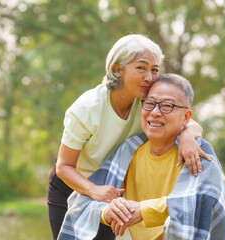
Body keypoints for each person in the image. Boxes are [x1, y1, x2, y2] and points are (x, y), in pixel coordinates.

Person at [47, 34, 210, 240]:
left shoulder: (146, 104)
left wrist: (189, 134)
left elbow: (183, 116)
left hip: (111, 184)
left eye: (154, 69)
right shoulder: (87, 108)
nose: (150, 77)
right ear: (117, 69)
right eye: (141, 68)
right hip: (72, 186)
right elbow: (63, 167)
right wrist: (94, 190)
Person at [58, 74, 225, 240]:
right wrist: (109, 210)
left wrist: (143, 210)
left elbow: (203, 202)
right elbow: (84, 202)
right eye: (150, 103)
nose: (155, 112)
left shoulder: (197, 152)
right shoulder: (130, 150)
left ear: (186, 117)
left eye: (167, 106)